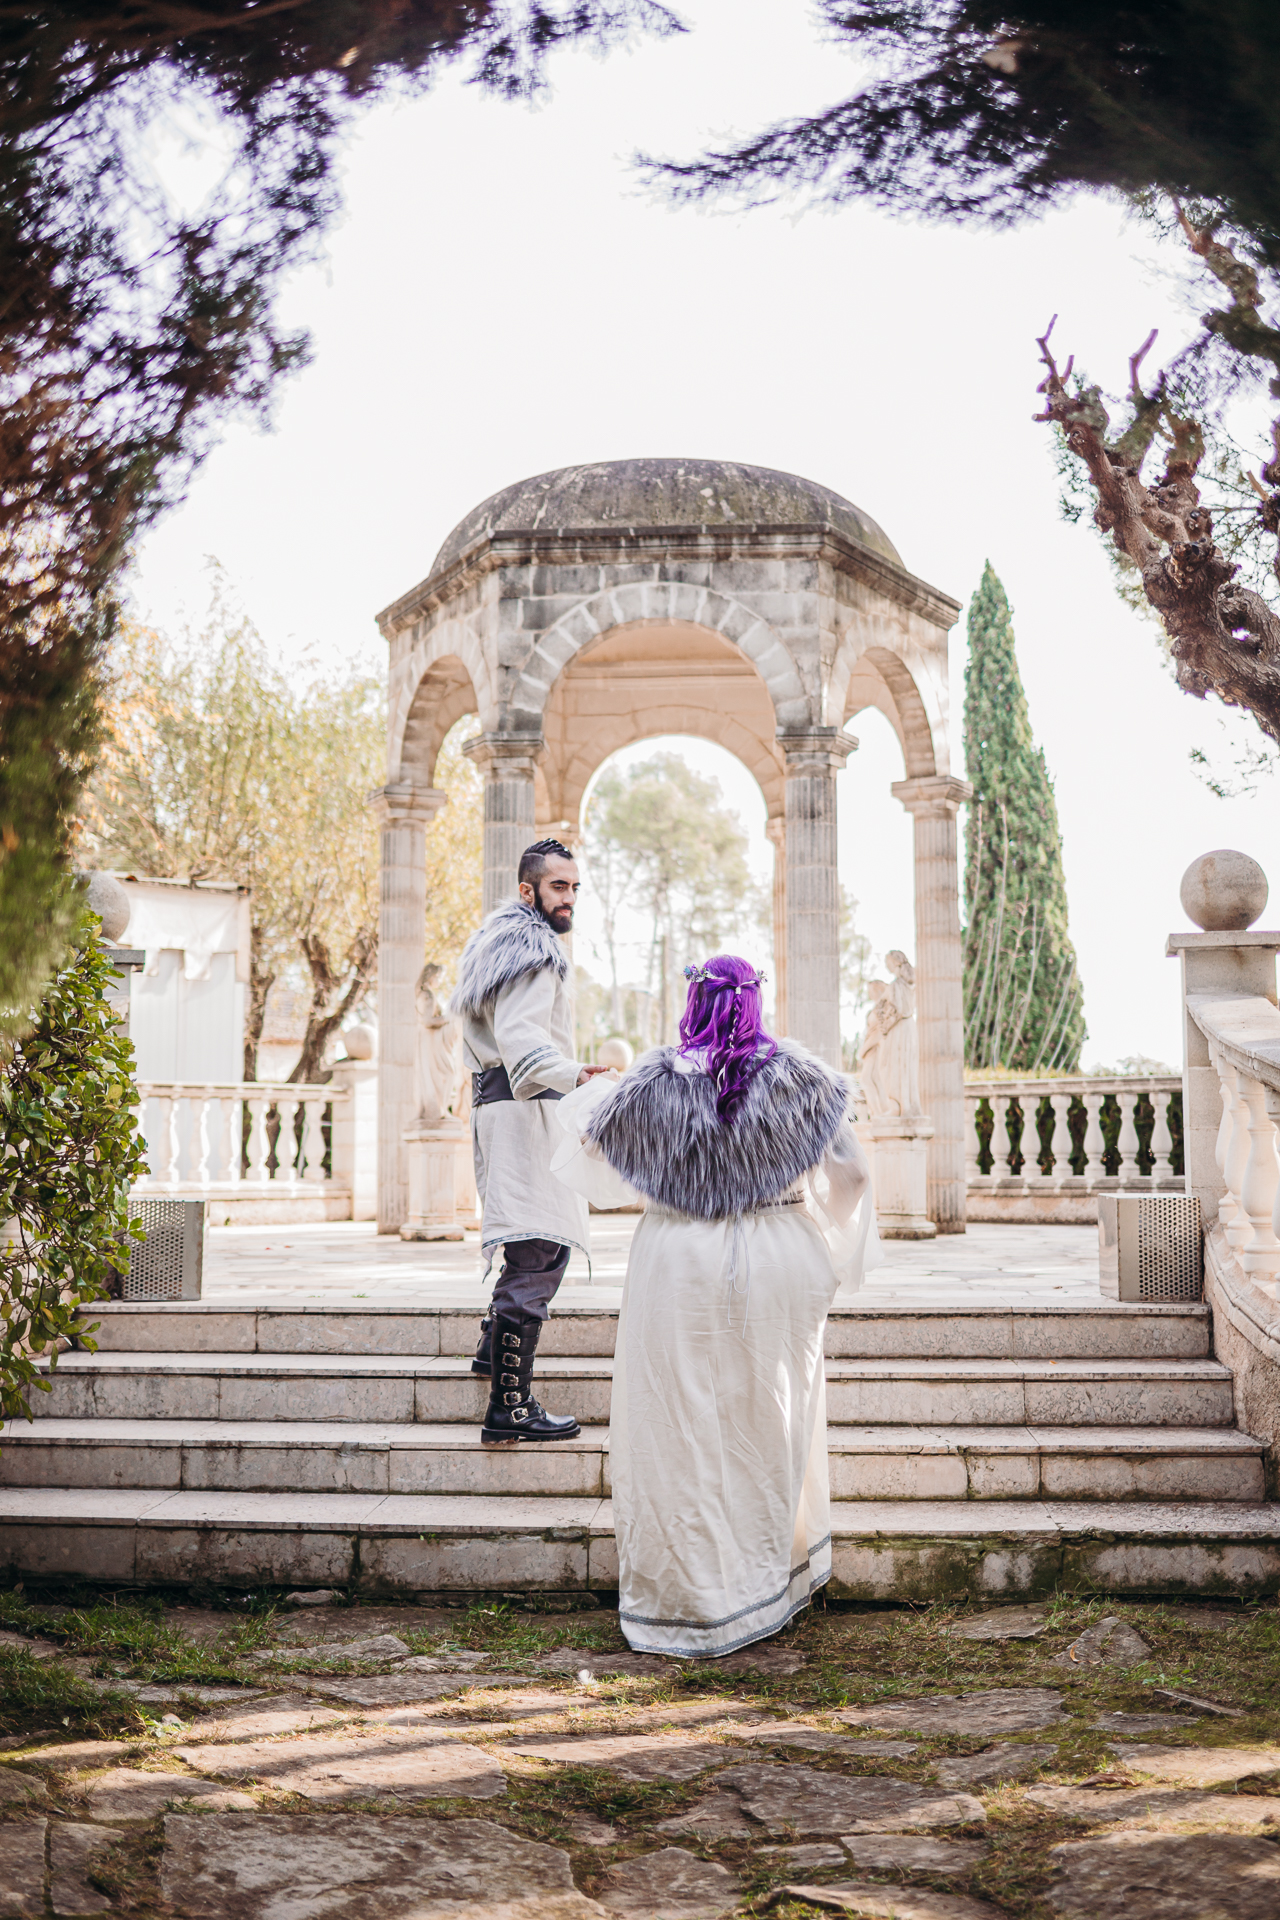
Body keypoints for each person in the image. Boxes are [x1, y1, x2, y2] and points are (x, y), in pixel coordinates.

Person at [551, 955, 879, 1659]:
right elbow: (852, 1175)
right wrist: (816, 1233)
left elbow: (590, 1151)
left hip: (676, 1261)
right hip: (779, 1258)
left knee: (678, 1429)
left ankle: (688, 1601)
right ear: (757, 1003)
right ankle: (766, 1583)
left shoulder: (651, 1083)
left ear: (693, 1003)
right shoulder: (805, 1080)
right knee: (768, 1420)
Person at [450, 838, 607, 1445]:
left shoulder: (499, 946)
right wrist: (578, 1075)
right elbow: (521, 1042)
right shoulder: (536, 952)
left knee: (536, 1242)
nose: (568, 899)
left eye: (574, 888)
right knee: (541, 1249)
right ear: (528, 891)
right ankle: (509, 1407)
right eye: (557, 887)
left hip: (501, 1111)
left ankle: (493, 1352)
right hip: (524, 1114)